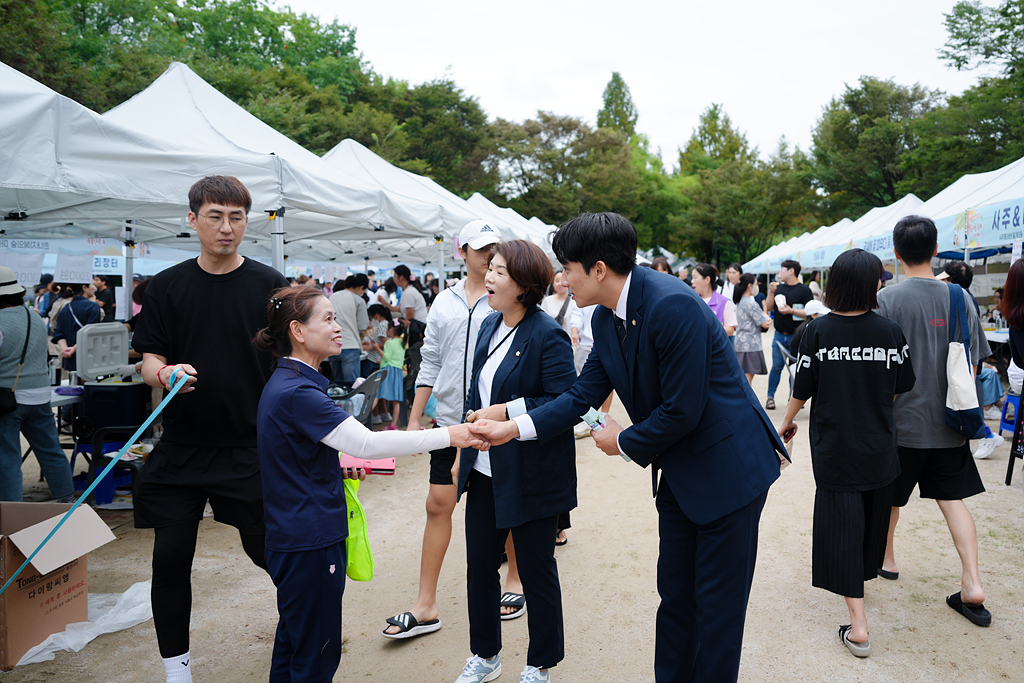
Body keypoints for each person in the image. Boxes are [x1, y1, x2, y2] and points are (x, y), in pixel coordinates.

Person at [469, 212, 788, 683]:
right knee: (676, 595)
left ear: (599, 269)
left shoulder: (670, 304)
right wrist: (514, 427)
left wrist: (622, 440)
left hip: (728, 471)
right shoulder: (605, 314)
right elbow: (582, 395)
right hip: (680, 471)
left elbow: (683, 410)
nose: (561, 280)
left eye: (568, 268)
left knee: (717, 609)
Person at [252, 286, 485, 683]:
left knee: (294, 643)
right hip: (309, 538)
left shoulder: (289, 383)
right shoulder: (299, 392)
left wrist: (335, 470)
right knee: (315, 655)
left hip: (294, 535)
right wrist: (450, 435)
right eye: (326, 319)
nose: (338, 326)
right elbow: (367, 443)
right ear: (297, 331)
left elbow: (294, 458)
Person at [130, 175, 290, 683]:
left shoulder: (271, 285)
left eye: (236, 217)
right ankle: (177, 671)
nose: (226, 227)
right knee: (170, 558)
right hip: (181, 445)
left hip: (250, 445)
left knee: (269, 552)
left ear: (248, 220)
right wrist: (163, 373)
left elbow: (296, 358)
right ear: (193, 219)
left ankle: (303, 638)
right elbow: (149, 358)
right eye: (215, 216)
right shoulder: (166, 286)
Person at [384, 220, 526, 638]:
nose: (488, 256)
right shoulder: (442, 303)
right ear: (461, 251)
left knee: (507, 504)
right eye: (481, 249)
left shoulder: (506, 299)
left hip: (495, 422)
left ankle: (515, 580)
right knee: (437, 504)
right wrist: (414, 418)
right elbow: (429, 362)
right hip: (449, 423)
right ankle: (425, 604)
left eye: (494, 249)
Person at [776, 249, 915, 658]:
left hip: (837, 448)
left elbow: (802, 389)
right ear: (870, 284)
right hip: (878, 447)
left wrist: (784, 422)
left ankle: (858, 625)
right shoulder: (890, 332)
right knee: (868, 528)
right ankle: (859, 605)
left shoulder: (818, 332)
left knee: (843, 531)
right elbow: (897, 387)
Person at [454, 239, 576, 683]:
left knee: (536, 572)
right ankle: (485, 655)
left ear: (524, 285)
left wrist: (506, 412)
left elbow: (565, 401)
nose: (488, 276)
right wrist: (465, 445)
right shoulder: (489, 324)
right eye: (489, 268)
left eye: (499, 271)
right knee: (479, 568)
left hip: (532, 473)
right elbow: (477, 391)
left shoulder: (547, 333)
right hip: (485, 469)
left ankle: (540, 663)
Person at [876, 215, 992, 628]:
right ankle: (973, 582)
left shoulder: (886, 300)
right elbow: (975, 365)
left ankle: (887, 559)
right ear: (935, 248)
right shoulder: (959, 298)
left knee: (890, 499)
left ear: (896, 252)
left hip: (900, 425)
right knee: (952, 500)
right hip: (948, 423)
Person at [0, 266, 75, 504]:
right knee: (51, 451)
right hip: (41, 393)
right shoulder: (32, 315)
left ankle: (11, 515)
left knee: (7, 459)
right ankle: (66, 502)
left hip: (8, 398)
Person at [940, 261, 1005, 457]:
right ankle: (984, 437)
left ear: (950, 279)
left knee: (963, 403)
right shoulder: (966, 297)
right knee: (964, 403)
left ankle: (987, 436)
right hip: (966, 362)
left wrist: (975, 367)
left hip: (963, 362)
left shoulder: (960, 298)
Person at [764, 259, 814, 410]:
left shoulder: (805, 290)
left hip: (797, 336)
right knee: (777, 367)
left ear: (791, 271)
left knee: (796, 368)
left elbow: (810, 312)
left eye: (782, 269)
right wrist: (771, 292)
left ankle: (794, 398)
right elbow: (769, 307)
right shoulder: (778, 288)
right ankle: (770, 397)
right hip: (779, 334)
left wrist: (791, 311)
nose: (780, 272)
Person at [328, 273, 370, 388]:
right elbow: (363, 325)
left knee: (337, 386)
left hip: (332, 345)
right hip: (351, 346)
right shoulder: (359, 300)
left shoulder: (332, 297)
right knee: (352, 386)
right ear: (361, 287)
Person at [51, 282, 102, 372]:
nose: (95, 288)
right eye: (92, 285)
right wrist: (74, 349)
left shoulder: (66, 307)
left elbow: (59, 332)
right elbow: (91, 333)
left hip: (70, 359)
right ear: (84, 287)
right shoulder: (93, 306)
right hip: (89, 357)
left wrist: (65, 350)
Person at [733, 273, 772, 385]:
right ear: (750, 286)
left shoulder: (740, 301)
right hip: (750, 344)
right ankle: (746, 402)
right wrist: (768, 318)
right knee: (747, 379)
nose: (757, 286)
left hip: (741, 343)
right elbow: (765, 323)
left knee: (744, 377)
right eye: (756, 284)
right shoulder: (750, 303)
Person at [691, 263, 737, 337]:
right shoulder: (692, 301)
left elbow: (730, 330)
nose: (692, 281)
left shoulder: (724, 302)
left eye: (695, 277)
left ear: (707, 279)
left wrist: (706, 330)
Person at [378, 320, 407, 430]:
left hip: (388, 371)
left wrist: (376, 348)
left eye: (387, 328)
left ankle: (362, 419)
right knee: (396, 400)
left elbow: (387, 358)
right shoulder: (402, 343)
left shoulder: (389, 343)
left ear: (391, 329)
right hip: (398, 372)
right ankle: (393, 425)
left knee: (377, 395)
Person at [540, 270, 577, 336]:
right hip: (550, 341)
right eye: (557, 281)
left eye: (563, 280)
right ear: (553, 284)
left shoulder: (574, 301)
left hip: (570, 342)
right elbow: (541, 322)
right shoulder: (547, 301)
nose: (560, 283)